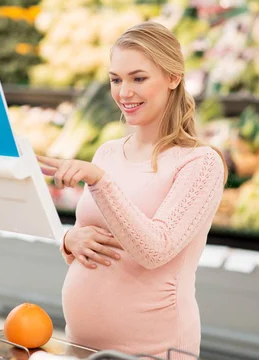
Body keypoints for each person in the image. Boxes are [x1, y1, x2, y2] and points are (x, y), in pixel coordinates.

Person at [38, 21, 228, 360]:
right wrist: (69, 240)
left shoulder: (201, 163)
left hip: (155, 350)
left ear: (173, 78)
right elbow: (96, 231)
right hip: (81, 344)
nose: (123, 92)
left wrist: (100, 181)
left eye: (138, 78)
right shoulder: (108, 153)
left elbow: (154, 250)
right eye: (116, 79)